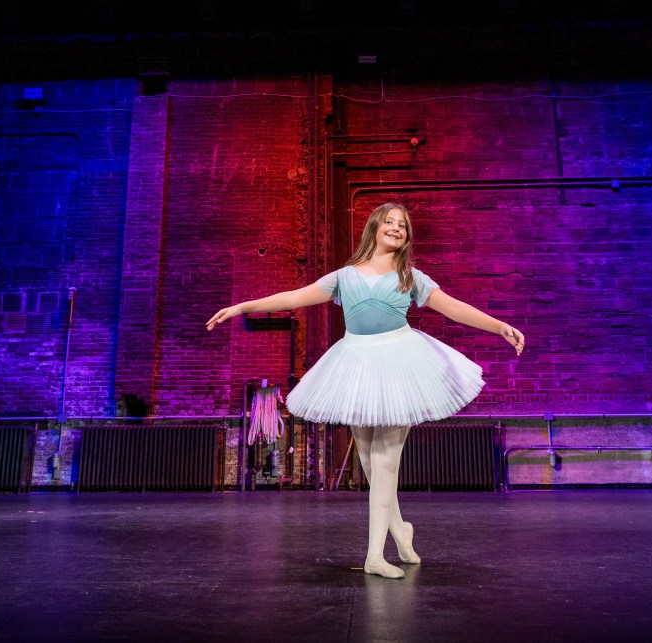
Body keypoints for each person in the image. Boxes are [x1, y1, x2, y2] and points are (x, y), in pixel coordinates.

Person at [206, 203, 525, 579]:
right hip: (355, 364)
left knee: (387, 461)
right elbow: (294, 297)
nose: (395, 227)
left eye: (402, 225)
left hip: (399, 362)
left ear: (407, 236)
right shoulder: (344, 277)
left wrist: (499, 326)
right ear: (374, 228)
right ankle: (402, 533)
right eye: (389, 221)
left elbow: (453, 308)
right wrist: (243, 306)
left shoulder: (410, 276)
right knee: (372, 466)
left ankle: (375, 555)